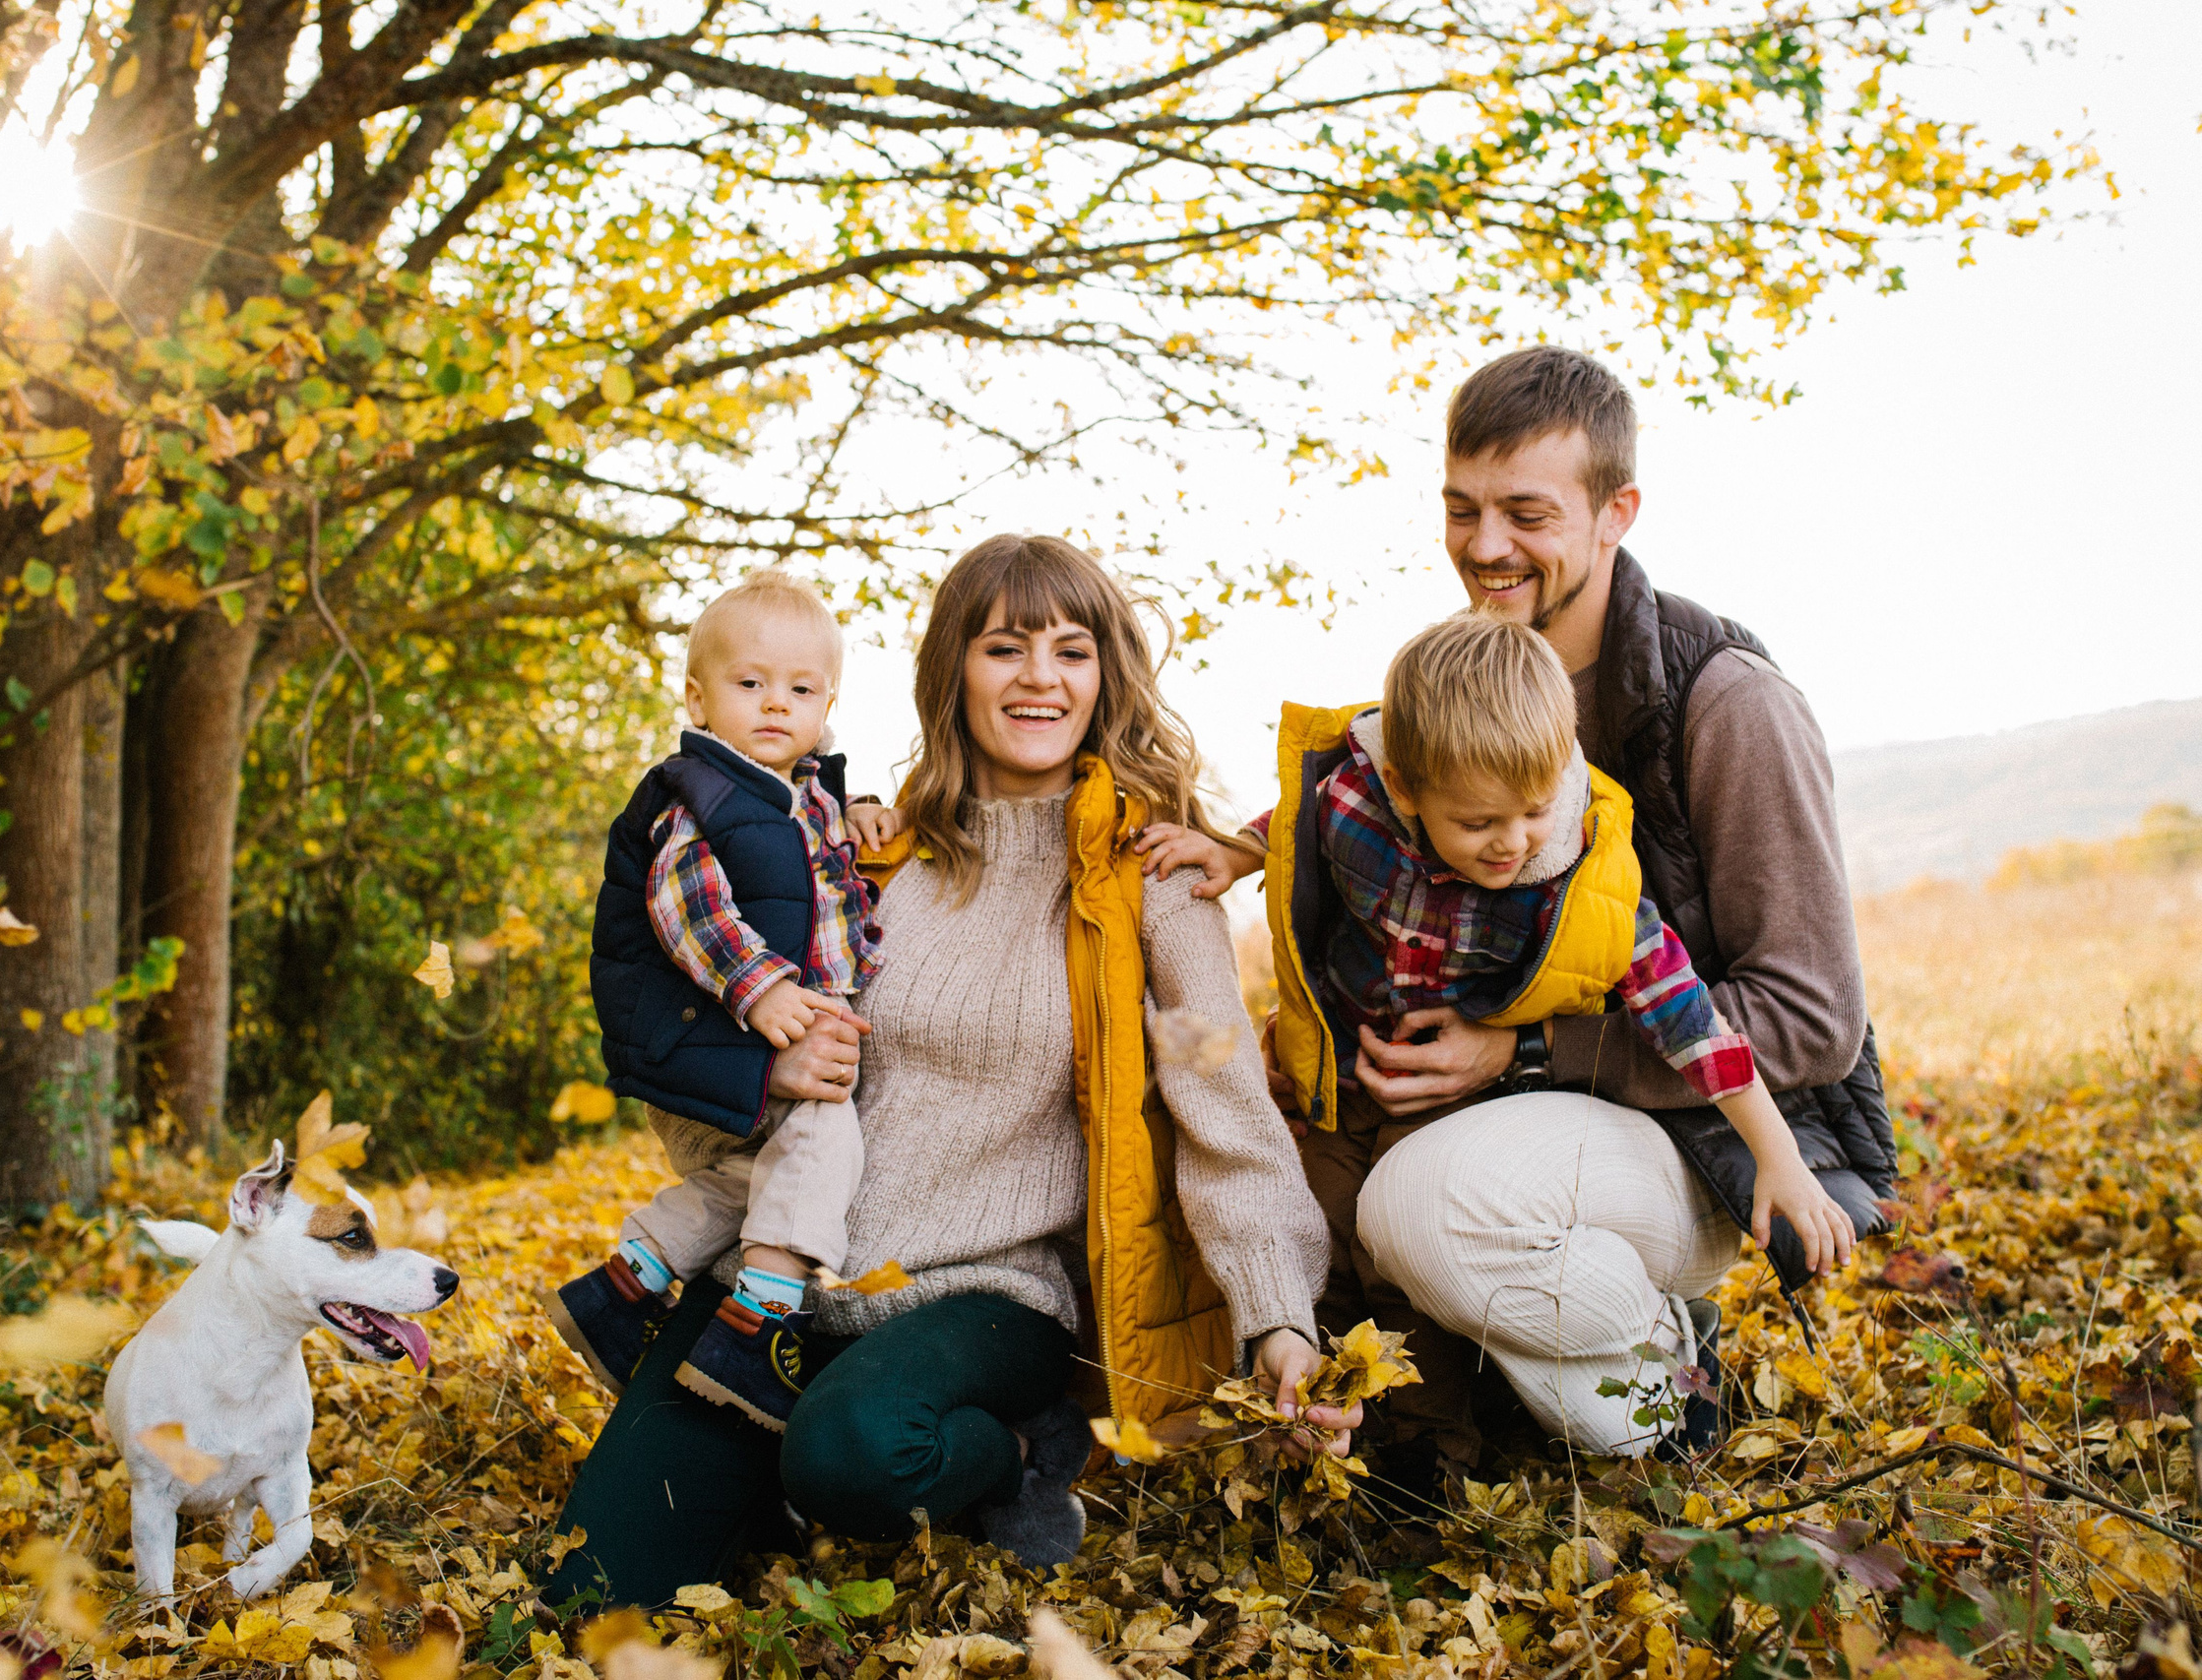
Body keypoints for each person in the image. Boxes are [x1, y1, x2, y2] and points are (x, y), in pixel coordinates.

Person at [546, 533, 1335, 1609]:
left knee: (853, 1456)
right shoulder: (861, 851)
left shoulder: (1152, 876)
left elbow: (1226, 1114)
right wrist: (768, 1079)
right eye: (1005, 648)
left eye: (1070, 651)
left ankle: (1016, 1453)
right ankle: (779, 1463)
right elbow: (699, 1014)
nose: (1040, 679)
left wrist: (1279, 1319)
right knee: (592, 1589)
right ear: (953, 671)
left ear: (1106, 674)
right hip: (786, 1275)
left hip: (989, 1295)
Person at [1145, 344, 1893, 1465]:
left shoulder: (1725, 703)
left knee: (1418, 1205)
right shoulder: (1472, 688)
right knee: (1318, 1188)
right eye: (1462, 509)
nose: (1485, 547)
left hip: (1707, 1138)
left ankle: (1671, 1357)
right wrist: (1231, 848)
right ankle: (1443, 1430)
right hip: (1503, 1133)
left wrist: (1517, 1054)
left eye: (1526, 513)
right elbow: (1344, 783)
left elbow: (1814, 1020)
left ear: (1614, 512)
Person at [548, 570, 883, 1432]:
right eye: (750, 683)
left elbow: (826, 871)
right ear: (698, 699)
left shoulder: (801, 797)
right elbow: (687, 903)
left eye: (801, 689)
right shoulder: (700, 792)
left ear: (827, 703)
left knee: (766, 1176)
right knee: (824, 1142)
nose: (777, 704)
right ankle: (757, 1327)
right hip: (750, 1028)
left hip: (779, 1028)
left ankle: (627, 1282)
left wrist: (865, 809)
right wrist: (762, 988)